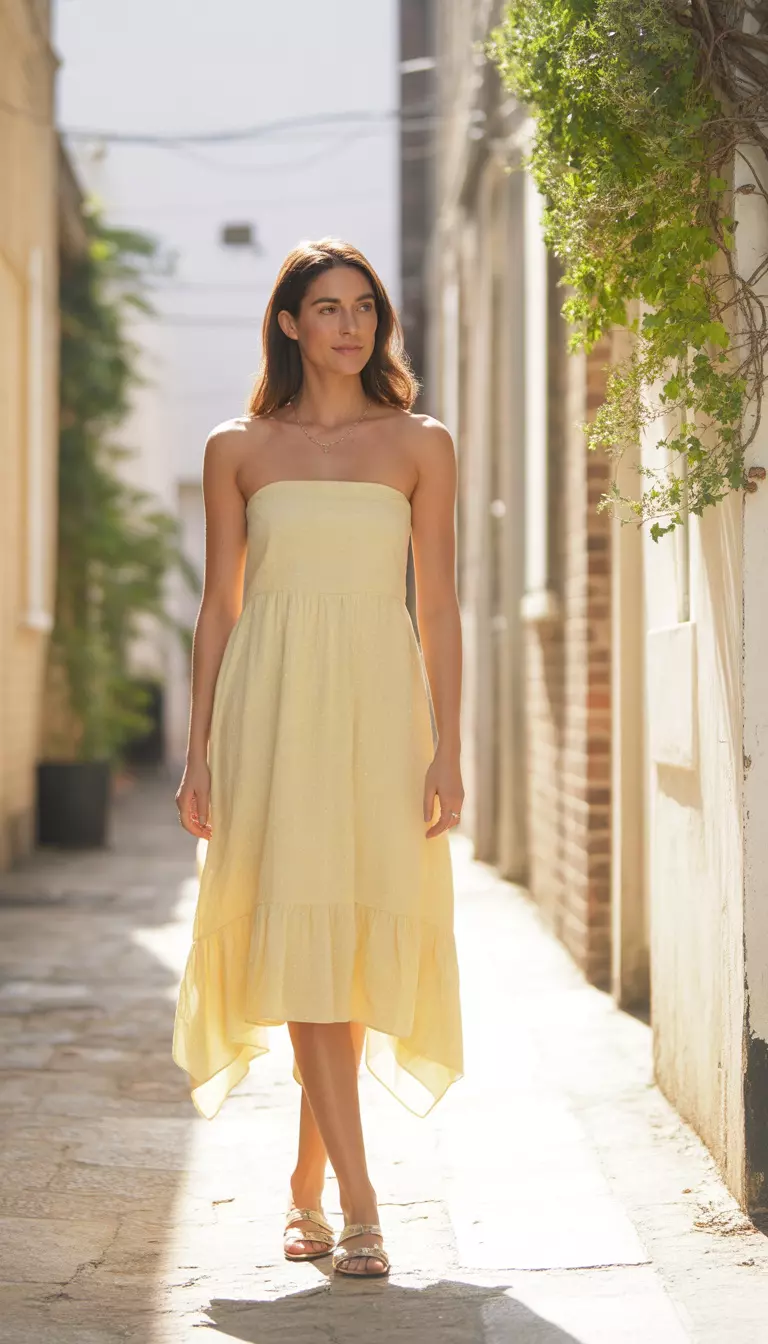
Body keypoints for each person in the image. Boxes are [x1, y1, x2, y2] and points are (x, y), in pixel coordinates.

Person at [172, 237, 464, 1279]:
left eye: (365, 307)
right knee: (304, 931)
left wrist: (448, 748)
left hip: (380, 712)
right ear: (290, 324)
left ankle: (304, 1186)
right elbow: (219, 608)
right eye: (329, 308)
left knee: (343, 948)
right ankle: (360, 1202)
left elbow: (439, 606)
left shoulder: (421, 443)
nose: (351, 325)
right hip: (273, 709)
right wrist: (198, 751)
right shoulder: (238, 447)